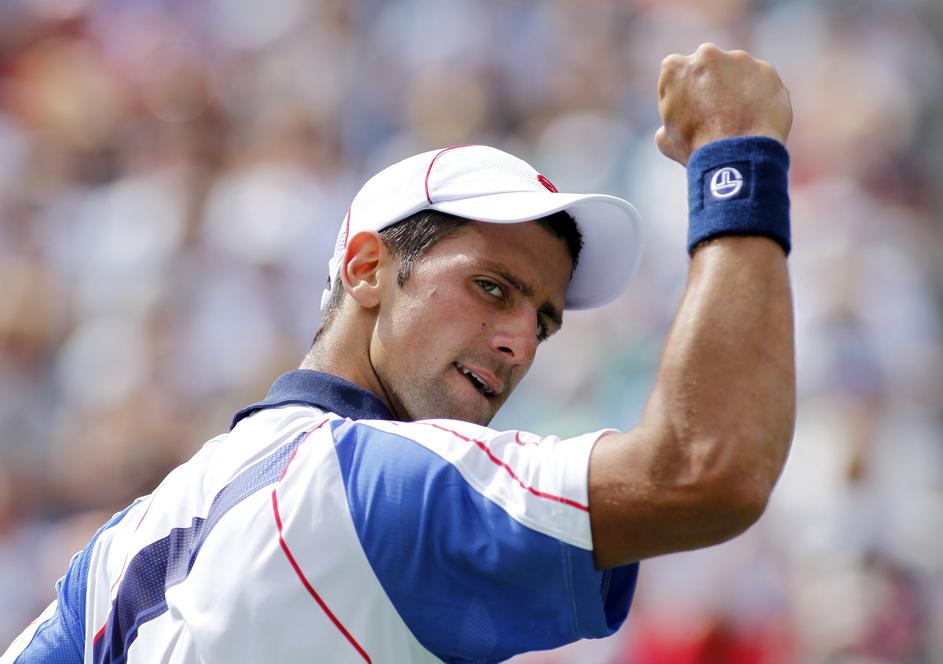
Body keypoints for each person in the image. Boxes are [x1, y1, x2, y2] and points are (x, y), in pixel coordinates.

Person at [2, 43, 795, 663]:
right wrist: (738, 154)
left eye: (543, 322)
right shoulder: (376, 482)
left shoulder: (122, 545)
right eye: (491, 287)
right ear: (365, 269)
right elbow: (705, 470)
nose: (521, 341)